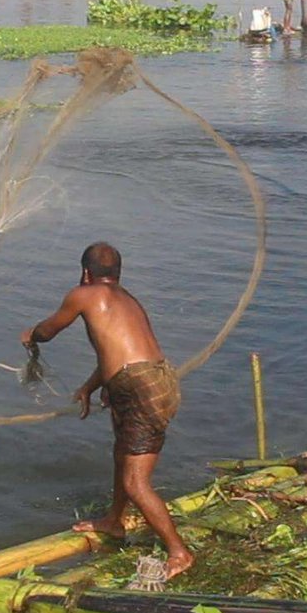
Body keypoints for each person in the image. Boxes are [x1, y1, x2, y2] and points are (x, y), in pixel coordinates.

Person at [20, 243, 193, 579]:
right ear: (117, 273)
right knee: (121, 455)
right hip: (150, 380)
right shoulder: (127, 300)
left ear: (86, 273)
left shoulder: (83, 295)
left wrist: (32, 336)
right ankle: (114, 521)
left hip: (140, 388)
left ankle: (179, 552)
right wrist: (90, 386)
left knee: (135, 481)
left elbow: (48, 331)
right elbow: (118, 354)